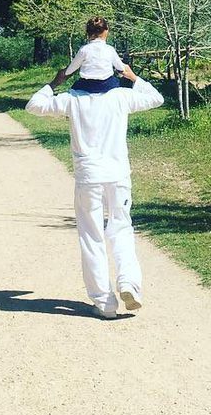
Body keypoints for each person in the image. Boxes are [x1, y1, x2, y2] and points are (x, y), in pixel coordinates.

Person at [25, 50, 164, 319]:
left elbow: (34, 105)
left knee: (92, 236)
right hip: (118, 175)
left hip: (89, 177)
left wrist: (55, 82)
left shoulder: (71, 100)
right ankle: (128, 283)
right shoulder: (122, 97)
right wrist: (134, 77)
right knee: (121, 228)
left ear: (82, 72)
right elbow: (156, 98)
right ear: (112, 72)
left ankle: (104, 302)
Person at [58, 17, 132, 94]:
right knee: (117, 82)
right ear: (106, 31)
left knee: (74, 88)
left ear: (88, 33)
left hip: (87, 86)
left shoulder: (84, 50)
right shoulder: (110, 49)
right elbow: (121, 68)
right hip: (107, 85)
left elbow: (69, 71)